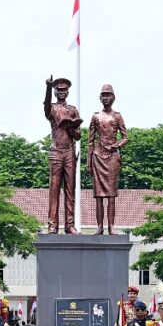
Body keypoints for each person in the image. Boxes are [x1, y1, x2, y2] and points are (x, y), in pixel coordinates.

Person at [87, 83, 129, 235]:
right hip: (98, 156)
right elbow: (90, 141)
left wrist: (116, 145)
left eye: (108, 95)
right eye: (104, 95)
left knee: (111, 194)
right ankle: (100, 226)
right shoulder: (95, 116)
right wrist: (88, 163)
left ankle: (111, 226)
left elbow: (126, 137)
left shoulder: (117, 116)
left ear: (114, 97)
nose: (106, 98)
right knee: (98, 195)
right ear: (100, 98)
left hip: (112, 157)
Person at [43, 76, 81, 234]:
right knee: (54, 189)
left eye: (64, 90)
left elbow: (78, 136)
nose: (62, 92)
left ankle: (69, 225)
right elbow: (46, 109)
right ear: (55, 91)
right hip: (56, 151)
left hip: (70, 152)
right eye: (58, 90)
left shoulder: (73, 110)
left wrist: (71, 128)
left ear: (68, 92)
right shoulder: (52, 108)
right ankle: (52, 224)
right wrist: (47, 88)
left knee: (70, 189)